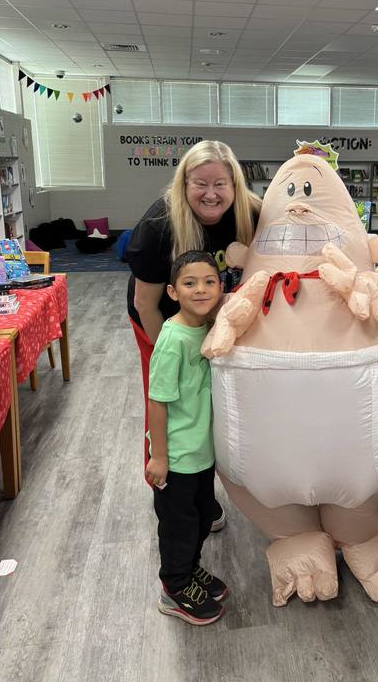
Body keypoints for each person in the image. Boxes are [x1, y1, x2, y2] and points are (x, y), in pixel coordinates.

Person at [126, 140, 261, 528]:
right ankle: (167, 487)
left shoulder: (250, 212)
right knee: (168, 403)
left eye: (221, 183)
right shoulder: (159, 225)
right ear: (183, 185)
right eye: (200, 183)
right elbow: (145, 303)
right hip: (161, 321)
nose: (211, 193)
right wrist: (167, 353)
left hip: (214, 319)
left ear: (235, 184)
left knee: (213, 403)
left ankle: (202, 489)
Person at [146, 250, 228, 625]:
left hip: (201, 453)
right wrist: (158, 456)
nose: (201, 289)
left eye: (209, 281)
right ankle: (173, 588)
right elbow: (157, 401)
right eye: (190, 283)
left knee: (198, 522)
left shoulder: (209, 329)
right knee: (178, 527)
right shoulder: (173, 338)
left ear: (221, 287)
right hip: (176, 457)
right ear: (173, 292)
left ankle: (190, 571)